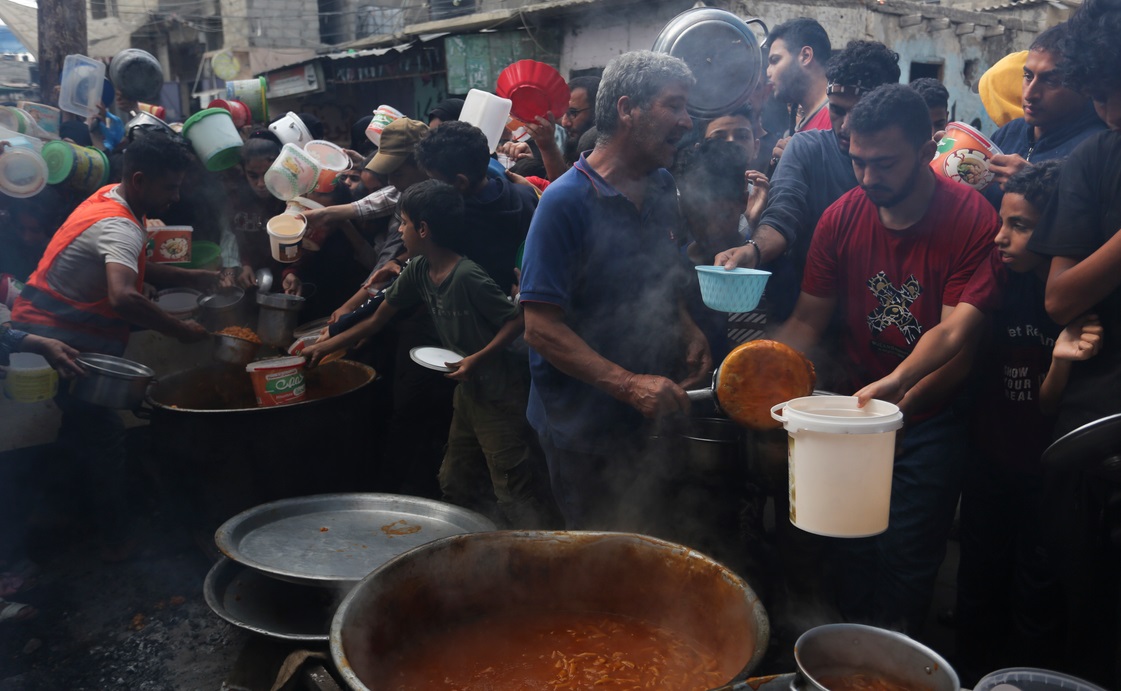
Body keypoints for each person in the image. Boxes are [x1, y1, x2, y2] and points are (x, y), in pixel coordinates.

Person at [853, 161, 1103, 680]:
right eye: (1003, 221)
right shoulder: (998, 279)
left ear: (1058, 231)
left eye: (1021, 226)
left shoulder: (1076, 302)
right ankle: (964, 673)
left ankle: (1020, 676)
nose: (1001, 237)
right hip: (988, 455)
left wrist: (1059, 359)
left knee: (1035, 590)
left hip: (1046, 471)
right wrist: (898, 387)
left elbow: (1051, 405)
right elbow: (953, 337)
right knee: (976, 580)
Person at [774, 84, 998, 634]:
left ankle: (894, 663)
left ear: (926, 152)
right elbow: (807, 320)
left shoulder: (970, 218)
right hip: (853, 411)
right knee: (848, 550)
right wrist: (764, 367)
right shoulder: (840, 218)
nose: (869, 178)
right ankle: (843, 662)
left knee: (908, 562)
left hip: (928, 419)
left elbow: (955, 342)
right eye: (857, 162)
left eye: (885, 163)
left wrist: (896, 402)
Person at [519, 50, 710, 532]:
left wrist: (686, 326)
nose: (688, 122)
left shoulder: (663, 185)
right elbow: (540, 329)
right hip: (581, 427)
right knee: (599, 558)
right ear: (628, 110)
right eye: (675, 106)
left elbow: (664, 273)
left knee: (651, 540)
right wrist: (630, 385)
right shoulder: (564, 202)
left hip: (647, 420)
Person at [304, 180, 556, 527]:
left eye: (404, 223)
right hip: (468, 392)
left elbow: (517, 321)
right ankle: (468, 546)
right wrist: (323, 347)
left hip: (499, 394)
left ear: (423, 229)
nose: (401, 230)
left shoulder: (467, 277)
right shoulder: (420, 269)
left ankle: (540, 556)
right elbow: (377, 319)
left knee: (513, 490)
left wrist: (477, 357)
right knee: (454, 481)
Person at [10, 131, 213, 559]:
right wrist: (180, 330)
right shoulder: (121, 223)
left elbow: (134, 262)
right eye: (169, 187)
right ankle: (116, 538)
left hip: (51, 324)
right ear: (139, 180)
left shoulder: (110, 197)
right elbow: (123, 296)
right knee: (105, 435)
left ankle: (60, 514)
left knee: (78, 430)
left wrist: (196, 277)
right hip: (57, 337)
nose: (176, 197)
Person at [1023, 1, 1121, 682]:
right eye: (1097, 92)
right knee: (1090, 603)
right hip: (1097, 421)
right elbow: (1058, 297)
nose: (1105, 105)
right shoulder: (1094, 159)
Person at [717, 40, 902, 325]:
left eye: (860, 111)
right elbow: (781, 217)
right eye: (838, 110)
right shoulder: (807, 148)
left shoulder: (906, 159)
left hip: (883, 315)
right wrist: (753, 250)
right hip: (801, 313)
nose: (845, 124)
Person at [983, 23, 1105, 205]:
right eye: (1028, 76)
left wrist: (1036, 183)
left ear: (1085, 86)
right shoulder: (1010, 132)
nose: (1030, 94)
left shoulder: (1100, 149)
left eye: (1051, 81)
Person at [413, 121, 538, 296]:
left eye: (434, 180)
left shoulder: (452, 222)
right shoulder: (525, 194)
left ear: (461, 182)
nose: (430, 186)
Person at [766, 18, 832, 135]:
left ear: (806, 56)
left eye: (775, 60)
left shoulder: (835, 122)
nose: (768, 72)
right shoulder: (807, 125)